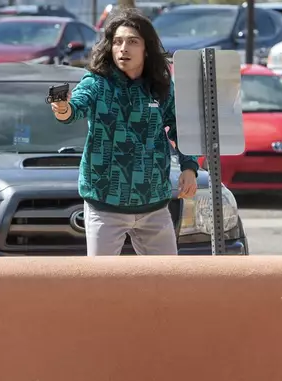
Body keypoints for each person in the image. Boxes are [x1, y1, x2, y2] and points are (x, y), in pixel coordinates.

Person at [51, 8, 199, 256]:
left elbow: (180, 127)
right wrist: (62, 108)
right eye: (117, 42)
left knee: (167, 282)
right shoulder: (96, 83)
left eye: (132, 41)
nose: (123, 48)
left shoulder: (160, 86)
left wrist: (189, 166)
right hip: (105, 203)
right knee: (101, 283)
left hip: (153, 204)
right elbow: (73, 110)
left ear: (146, 48)